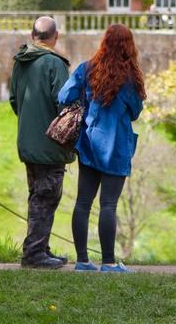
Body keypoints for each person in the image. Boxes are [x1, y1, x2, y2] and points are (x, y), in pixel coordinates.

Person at [58, 23, 146, 272]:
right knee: (109, 204)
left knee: (83, 203)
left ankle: (82, 261)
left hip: (88, 143)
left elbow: (64, 96)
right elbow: (136, 112)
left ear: (104, 42)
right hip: (116, 147)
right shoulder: (131, 79)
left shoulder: (87, 69)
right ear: (129, 46)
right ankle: (108, 262)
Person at [7, 16, 74, 269]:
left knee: (37, 194)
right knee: (46, 196)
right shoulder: (53, 64)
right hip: (50, 143)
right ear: (56, 37)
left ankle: (41, 248)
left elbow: (14, 100)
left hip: (27, 141)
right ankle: (34, 254)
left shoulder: (21, 61)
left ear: (33, 35)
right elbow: (64, 103)